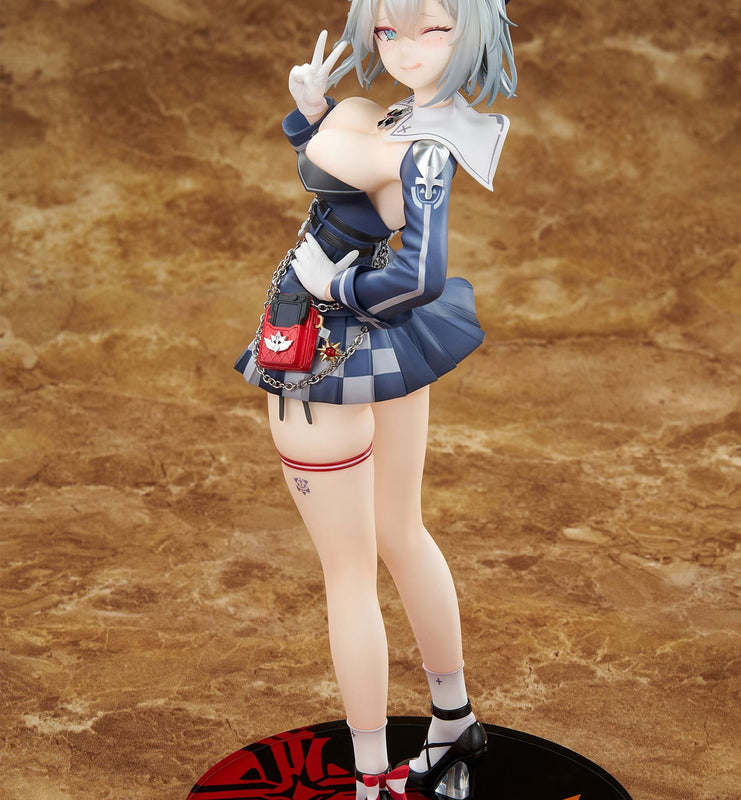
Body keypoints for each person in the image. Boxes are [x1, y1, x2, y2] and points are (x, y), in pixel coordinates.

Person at [235, 1, 516, 797]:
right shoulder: (414, 120)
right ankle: (453, 720)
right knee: (398, 530)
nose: (405, 47)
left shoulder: (424, 146)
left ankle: (370, 782)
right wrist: (311, 114)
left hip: (321, 345)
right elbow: (348, 189)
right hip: (382, 345)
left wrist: (340, 288)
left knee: (351, 570)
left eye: (434, 29)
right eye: (390, 31)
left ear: (472, 33)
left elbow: (421, 272)